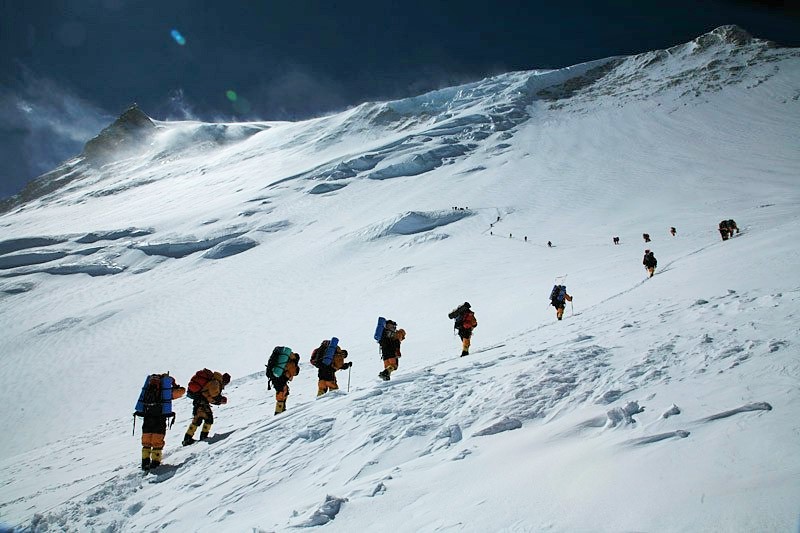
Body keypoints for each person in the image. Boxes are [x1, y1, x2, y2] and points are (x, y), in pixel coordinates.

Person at [135, 373, 185, 471]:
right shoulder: (165, 391)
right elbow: (181, 392)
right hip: (160, 419)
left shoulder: (148, 389)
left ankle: (145, 463)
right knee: (157, 441)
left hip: (147, 418)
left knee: (146, 441)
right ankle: (155, 464)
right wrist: (174, 385)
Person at [182, 371, 229, 446]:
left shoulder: (214, 380)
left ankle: (187, 439)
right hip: (202, 403)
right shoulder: (216, 382)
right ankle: (202, 437)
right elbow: (214, 394)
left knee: (197, 420)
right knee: (208, 419)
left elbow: (207, 394)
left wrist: (217, 401)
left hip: (199, 401)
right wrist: (220, 399)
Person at [266, 347, 301, 414]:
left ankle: (281, 410)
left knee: (282, 392)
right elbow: (293, 373)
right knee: (282, 394)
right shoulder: (292, 363)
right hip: (281, 378)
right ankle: (279, 412)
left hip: (276, 377)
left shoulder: (287, 360)